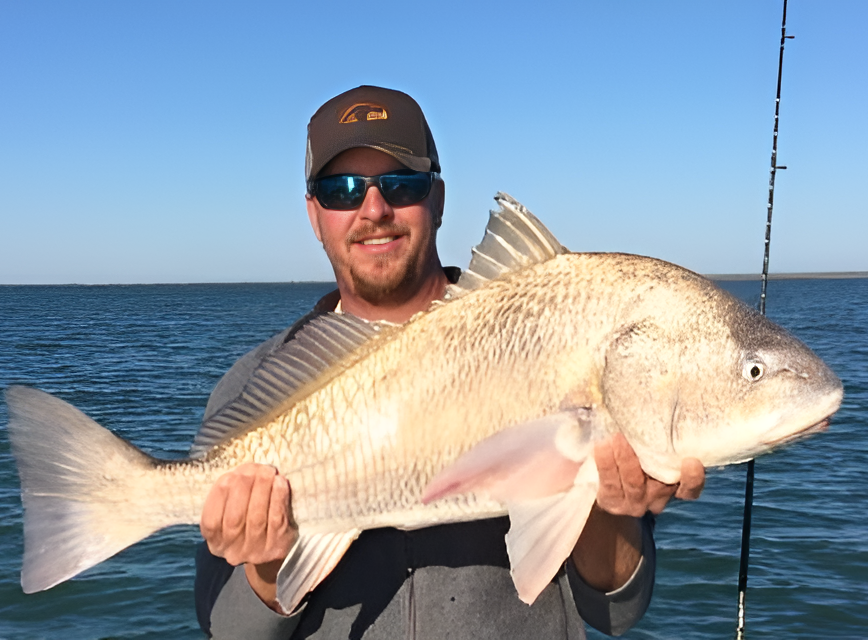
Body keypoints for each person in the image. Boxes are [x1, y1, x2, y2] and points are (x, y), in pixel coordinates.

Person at [193, 85, 705, 639]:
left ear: (437, 199)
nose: (374, 209)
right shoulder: (252, 388)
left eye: (401, 183)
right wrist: (269, 565)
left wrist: (607, 508)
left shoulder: (558, 340)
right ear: (314, 214)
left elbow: (615, 613)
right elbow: (228, 631)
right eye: (342, 190)